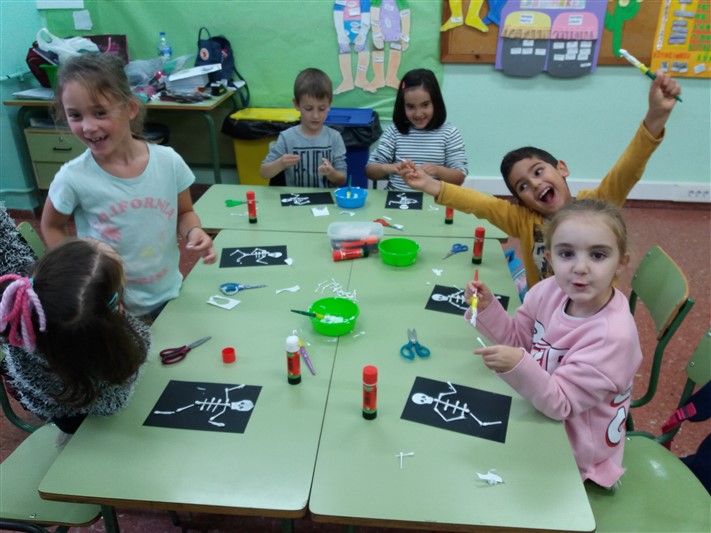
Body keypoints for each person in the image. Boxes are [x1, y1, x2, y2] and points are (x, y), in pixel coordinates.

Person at [402, 72, 681, 288]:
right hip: (544, 317)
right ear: (521, 201)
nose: (535, 184)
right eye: (522, 186)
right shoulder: (524, 220)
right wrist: (430, 185)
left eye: (538, 172)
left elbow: (627, 169)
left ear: (562, 168)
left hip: (593, 319)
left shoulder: (597, 207)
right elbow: (480, 204)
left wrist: (655, 117)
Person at [464, 199, 642, 489]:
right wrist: (488, 309)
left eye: (598, 255)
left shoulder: (612, 337)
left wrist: (519, 364)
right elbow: (520, 341)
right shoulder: (548, 291)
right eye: (566, 254)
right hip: (544, 409)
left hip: (577, 449)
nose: (580, 268)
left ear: (621, 262)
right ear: (549, 257)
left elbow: (561, 404)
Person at [40, 53, 216, 319]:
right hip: (112, 307)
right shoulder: (72, 177)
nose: (88, 127)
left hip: (169, 293)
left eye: (100, 112)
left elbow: (185, 212)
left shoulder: (168, 162)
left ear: (130, 109)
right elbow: (51, 226)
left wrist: (194, 231)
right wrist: (79, 266)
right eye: (75, 115)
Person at [1, 238, 150, 437]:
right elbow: (113, 403)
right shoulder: (115, 354)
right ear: (115, 310)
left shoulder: (33, 304)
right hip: (80, 424)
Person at [366, 68, 467, 190]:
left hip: (433, 199)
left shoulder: (449, 133)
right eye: (410, 106)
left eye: (425, 105)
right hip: (397, 197)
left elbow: (459, 178)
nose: (418, 114)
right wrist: (388, 168)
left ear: (435, 103)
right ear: (402, 106)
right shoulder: (394, 132)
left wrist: (438, 170)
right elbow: (370, 171)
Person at [260, 68, 347, 188]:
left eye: (321, 109)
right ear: (296, 104)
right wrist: (281, 163)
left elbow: (342, 179)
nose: (315, 116)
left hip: (326, 197)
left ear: (329, 105)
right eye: (308, 109)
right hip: (296, 197)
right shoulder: (287, 137)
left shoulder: (334, 137)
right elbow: (264, 173)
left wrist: (331, 173)